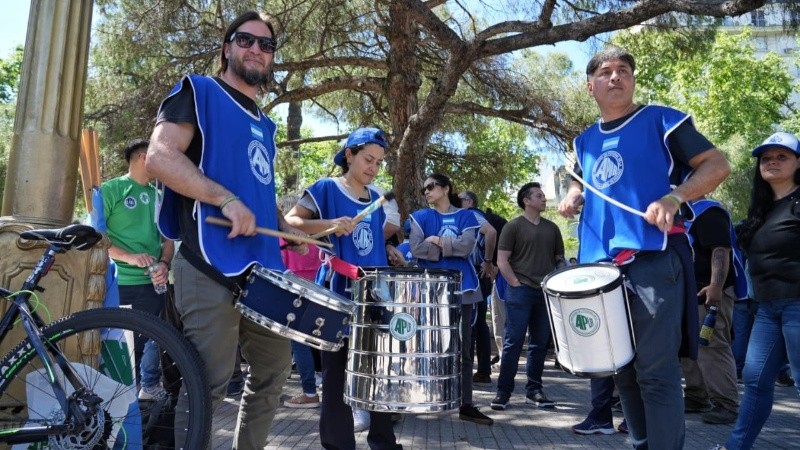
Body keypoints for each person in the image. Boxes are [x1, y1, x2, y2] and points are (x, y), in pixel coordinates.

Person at [145, 11, 308, 449]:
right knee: (208, 384)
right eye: (246, 40)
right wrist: (224, 199)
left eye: (266, 45)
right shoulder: (198, 91)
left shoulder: (266, 123)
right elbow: (159, 158)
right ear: (227, 46)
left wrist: (282, 225)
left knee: (272, 376)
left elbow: (256, 190)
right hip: (208, 261)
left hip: (264, 271)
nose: (256, 49)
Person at [558, 46, 730, 449]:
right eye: (605, 72)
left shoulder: (661, 119)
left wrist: (676, 198)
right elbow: (584, 179)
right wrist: (572, 193)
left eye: (623, 70)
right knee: (622, 371)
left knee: (656, 371)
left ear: (632, 80)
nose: (615, 77)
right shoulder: (583, 141)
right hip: (601, 272)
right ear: (590, 86)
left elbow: (717, 165)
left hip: (653, 260)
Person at [285, 126, 403, 449]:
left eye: (378, 162)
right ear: (349, 155)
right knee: (335, 379)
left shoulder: (376, 198)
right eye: (368, 159)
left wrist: (389, 250)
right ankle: (338, 445)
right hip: (338, 292)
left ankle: (384, 443)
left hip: (376, 295)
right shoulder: (327, 189)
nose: (373, 168)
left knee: (379, 376)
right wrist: (330, 225)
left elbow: (370, 244)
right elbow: (291, 222)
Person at [715, 131, 800, 450]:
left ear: (797, 162)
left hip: (797, 306)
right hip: (766, 309)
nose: (773, 162)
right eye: (766, 158)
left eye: (782, 156)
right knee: (755, 383)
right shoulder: (759, 212)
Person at [409, 173, 494, 426]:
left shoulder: (467, 215)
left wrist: (434, 240)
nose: (426, 191)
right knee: (426, 344)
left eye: (431, 186)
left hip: (463, 287)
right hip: (429, 288)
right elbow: (415, 248)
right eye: (424, 188)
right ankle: (423, 397)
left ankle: (466, 403)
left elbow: (466, 247)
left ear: (446, 188)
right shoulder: (420, 216)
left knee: (464, 349)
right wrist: (449, 246)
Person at [99, 139, 174, 401]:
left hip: (152, 283)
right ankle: (117, 396)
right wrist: (129, 257)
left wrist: (164, 264)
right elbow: (97, 237)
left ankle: (148, 388)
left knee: (153, 337)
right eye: (158, 157)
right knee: (122, 343)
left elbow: (167, 240)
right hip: (118, 283)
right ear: (144, 157)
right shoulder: (112, 189)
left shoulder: (158, 197)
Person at [489, 182, 565, 411]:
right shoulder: (513, 227)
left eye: (543, 195)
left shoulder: (552, 229)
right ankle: (503, 392)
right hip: (519, 292)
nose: (544, 199)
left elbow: (559, 258)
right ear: (526, 201)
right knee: (513, 342)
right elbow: (502, 260)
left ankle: (534, 390)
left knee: (539, 344)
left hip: (545, 292)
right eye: (539, 196)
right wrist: (514, 282)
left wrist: (558, 277)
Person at [680, 198, 745, 424]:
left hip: (709, 293)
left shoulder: (708, 211)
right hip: (689, 293)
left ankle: (726, 403)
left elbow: (721, 250)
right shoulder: (683, 211)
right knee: (689, 348)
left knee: (712, 345)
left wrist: (716, 286)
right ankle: (697, 395)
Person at [279, 193, 323, 409]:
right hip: (317, 291)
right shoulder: (317, 236)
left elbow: (279, 268)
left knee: (298, 344)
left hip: (293, 293)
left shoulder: (284, 237)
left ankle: (309, 392)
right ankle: (318, 381)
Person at [458, 190, 497, 385]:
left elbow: (491, 232)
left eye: (461, 199)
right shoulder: (465, 215)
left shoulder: (472, 214)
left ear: (470, 201)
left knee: (474, 322)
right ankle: (480, 371)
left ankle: (478, 371)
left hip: (475, 274)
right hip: (475, 274)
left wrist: (488, 261)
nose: (457, 201)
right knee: (477, 322)